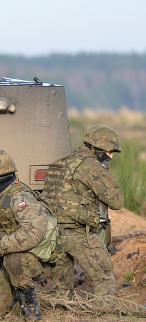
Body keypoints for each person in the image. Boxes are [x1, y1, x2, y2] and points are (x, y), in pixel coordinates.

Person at [0, 149, 58, 321]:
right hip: (11, 259)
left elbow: (34, 232)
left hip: (37, 258)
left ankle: (30, 304)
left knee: (14, 260)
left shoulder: (19, 197)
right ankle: (15, 298)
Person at [43, 125, 124, 296]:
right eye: (110, 151)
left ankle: (62, 318)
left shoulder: (62, 163)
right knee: (104, 276)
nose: (110, 156)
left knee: (61, 288)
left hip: (54, 233)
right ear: (99, 148)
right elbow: (117, 201)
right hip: (78, 233)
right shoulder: (91, 166)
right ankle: (106, 316)